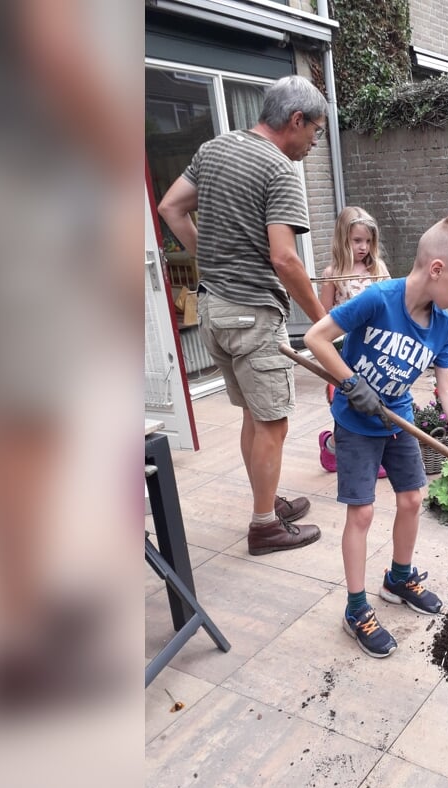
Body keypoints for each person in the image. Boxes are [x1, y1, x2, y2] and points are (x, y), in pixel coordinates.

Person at [304, 217, 448, 659]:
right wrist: (351, 383)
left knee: (411, 499)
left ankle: (399, 578)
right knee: (363, 512)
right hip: (355, 422)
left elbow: (446, 385)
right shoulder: (378, 300)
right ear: (437, 269)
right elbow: (316, 338)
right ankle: (355, 608)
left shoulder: (442, 326)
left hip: (396, 418)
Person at [158, 75, 329, 556]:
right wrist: (321, 321)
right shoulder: (278, 169)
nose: (314, 143)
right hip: (252, 315)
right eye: (315, 131)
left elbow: (170, 207)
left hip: (214, 308)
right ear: (295, 120)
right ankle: (264, 526)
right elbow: (285, 259)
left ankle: (266, 503)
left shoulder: (214, 149)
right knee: (272, 423)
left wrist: (209, 260)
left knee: (255, 417)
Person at [316, 206, 390, 474]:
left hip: (376, 347)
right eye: (357, 241)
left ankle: (377, 454)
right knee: (347, 402)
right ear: (342, 239)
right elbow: (322, 316)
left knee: (377, 400)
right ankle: (332, 446)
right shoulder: (332, 273)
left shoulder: (378, 269)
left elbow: (390, 303)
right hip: (345, 350)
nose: (363, 247)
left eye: (368, 241)